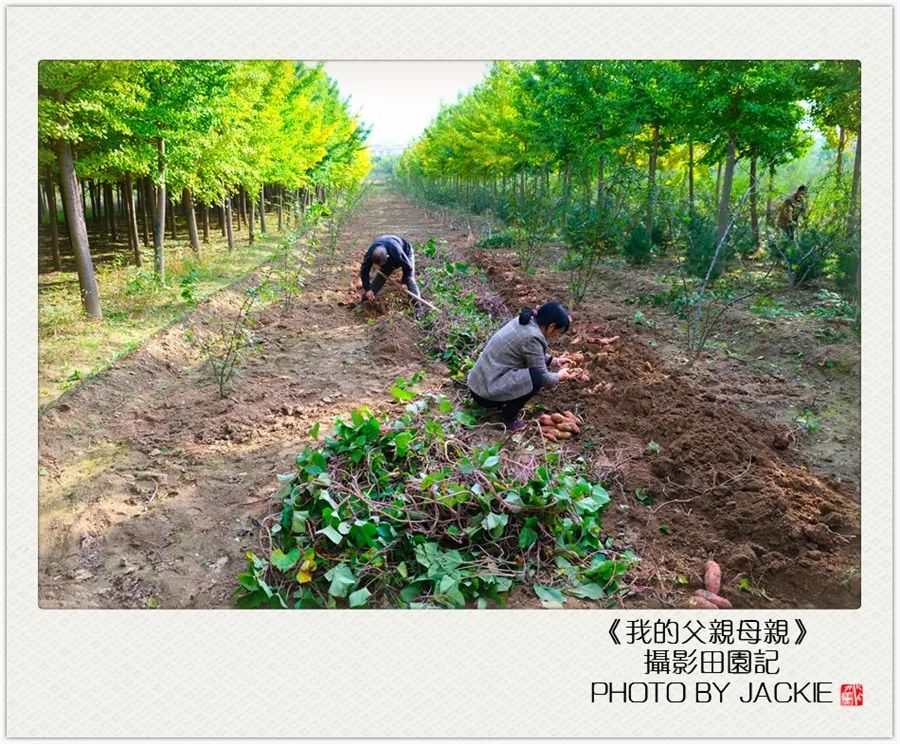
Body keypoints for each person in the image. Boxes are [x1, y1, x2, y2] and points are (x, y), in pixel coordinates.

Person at [467, 301, 578, 431]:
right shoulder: (533, 337)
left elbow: (528, 352)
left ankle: (501, 402)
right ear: (551, 327)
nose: (556, 336)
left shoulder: (525, 321)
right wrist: (559, 376)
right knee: (536, 378)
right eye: (558, 332)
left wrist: (554, 361)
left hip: (478, 384)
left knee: (532, 373)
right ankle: (509, 418)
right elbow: (544, 378)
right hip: (485, 394)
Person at [357, 234, 424, 318]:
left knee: (410, 280)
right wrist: (367, 289)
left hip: (406, 253)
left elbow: (408, 267)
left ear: (387, 257)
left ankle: (418, 308)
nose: (379, 267)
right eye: (378, 265)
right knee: (380, 278)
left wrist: (404, 281)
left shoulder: (397, 252)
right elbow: (364, 272)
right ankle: (364, 302)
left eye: (382, 264)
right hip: (388, 256)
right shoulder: (371, 254)